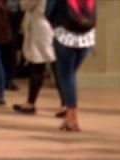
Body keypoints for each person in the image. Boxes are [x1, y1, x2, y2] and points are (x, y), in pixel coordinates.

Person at [47, 0, 96, 132]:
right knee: (70, 76)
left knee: (66, 76)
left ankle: (72, 118)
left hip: (65, 36)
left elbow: (48, 11)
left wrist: (55, 24)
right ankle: (70, 117)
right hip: (86, 37)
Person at [10, 0, 54, 114]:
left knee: (38, 65)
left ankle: (30, 103)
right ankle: (66, 105)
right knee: (57, 67)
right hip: (54, 25)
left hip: (41, 28)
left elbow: (24, 5)